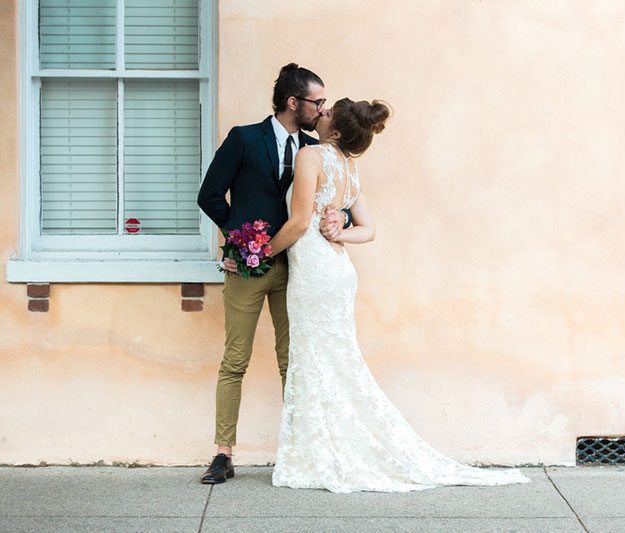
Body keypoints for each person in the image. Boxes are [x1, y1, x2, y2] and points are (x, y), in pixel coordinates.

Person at [263, 98, 531, 492]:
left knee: (315, 359)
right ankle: (326, 447)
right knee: (333, 360)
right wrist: (341, 232)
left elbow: (301, 221)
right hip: (338, 271)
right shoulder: (350, 170)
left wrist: (259, 252)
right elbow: (368, 230)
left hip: (316, 274)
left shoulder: (310, 157)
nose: (319, 112)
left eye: (326, 112)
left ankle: (321, 452)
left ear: (334, 131)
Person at [196, 63, 348, 485]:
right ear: (292, 102)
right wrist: (240, 241)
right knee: (235, 360)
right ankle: (223, 455)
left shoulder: (316, 149)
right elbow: (208, 195)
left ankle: (298, 452)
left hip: (298, 269)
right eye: (317, 102)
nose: (323, 109)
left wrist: (344, 219)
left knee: (293, 362)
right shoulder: (245, 138)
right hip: (247, 269)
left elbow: (341, 194)